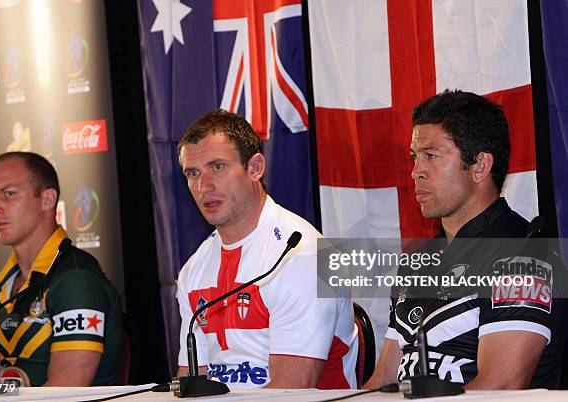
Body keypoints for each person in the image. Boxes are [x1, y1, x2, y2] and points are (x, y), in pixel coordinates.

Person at [364, 90, 563, 390]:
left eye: (431, 155)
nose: (416, 172)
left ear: (480, 166)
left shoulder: (525, 257)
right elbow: (383, 382)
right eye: (414, 157)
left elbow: (499, 390)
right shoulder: (418, 261)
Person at [176, 110, 358, 389]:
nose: (203, 186)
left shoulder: (305, 257)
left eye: (217, 167)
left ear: (255, 168)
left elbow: (291, 391)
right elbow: (190, 385)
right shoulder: (194, 269)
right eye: (193, 173)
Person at [0, 152, 123, 386]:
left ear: (47, 200)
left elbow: (64, 392)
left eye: (9, 194)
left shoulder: (76, 280)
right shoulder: (0, 290)